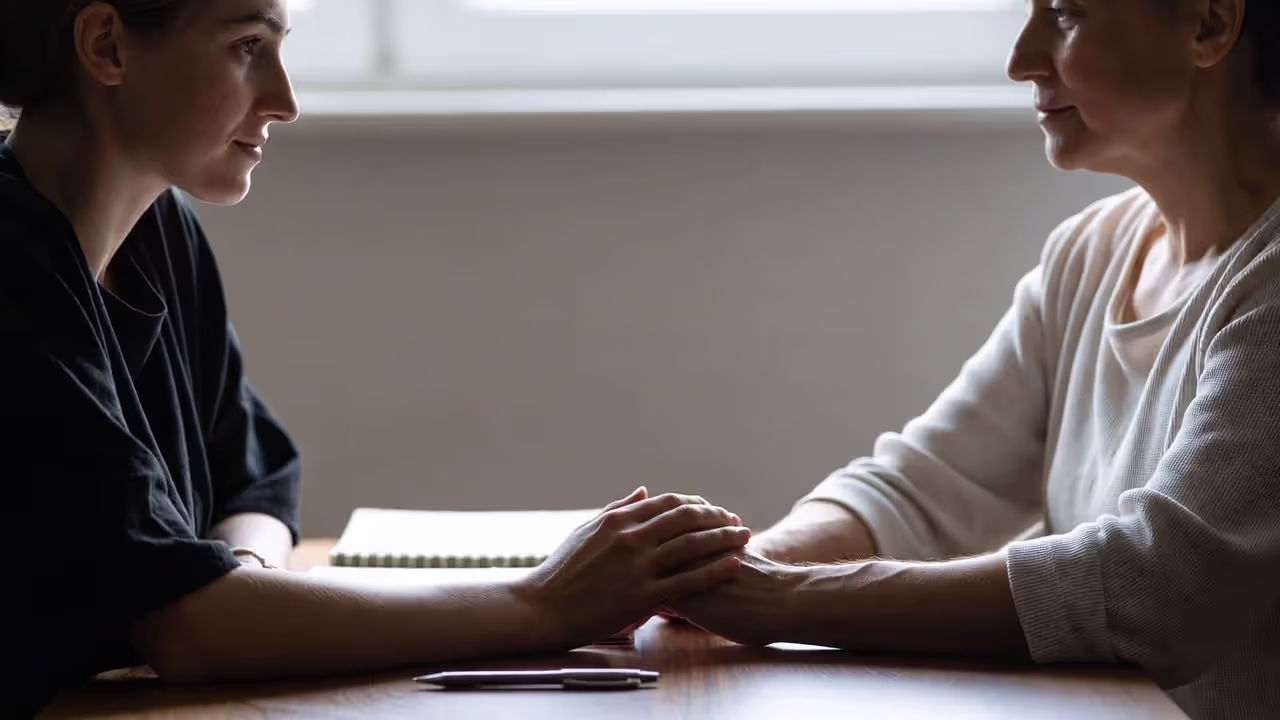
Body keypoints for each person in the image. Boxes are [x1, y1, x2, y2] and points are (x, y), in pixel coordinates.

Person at [0, 1, 754, 716]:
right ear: (106, 45)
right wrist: (543, 603)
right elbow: (188, 629)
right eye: (247, 47)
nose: (284, 99)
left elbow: (254, 484)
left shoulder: (158, 230)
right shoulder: (14, 269)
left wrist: (243, 593)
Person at [662, 2, 1280, 719]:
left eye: (1067, 14)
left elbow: (1156, 588)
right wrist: (733, 570)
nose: (1022, 59)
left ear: (1208, 23)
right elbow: (921, 490)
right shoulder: (1090, 254)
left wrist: (775, 601)